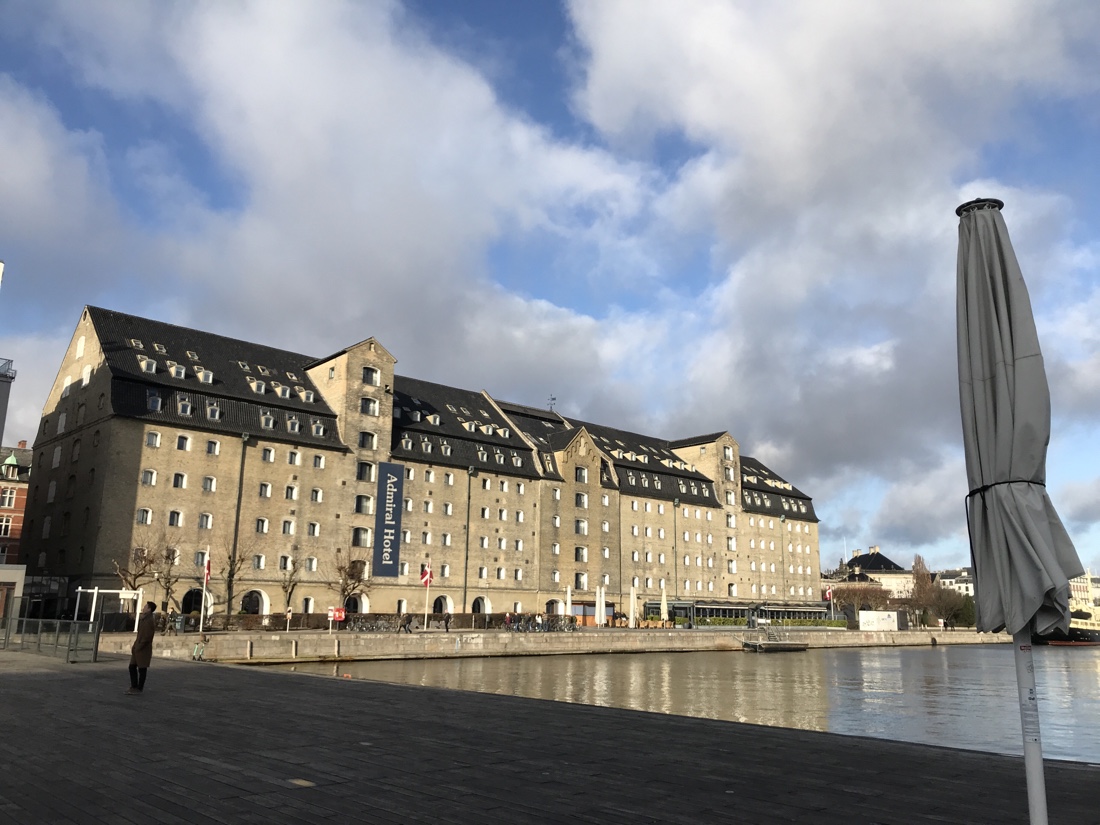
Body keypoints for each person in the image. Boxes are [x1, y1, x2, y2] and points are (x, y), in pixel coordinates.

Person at [127, 601, 157, 695]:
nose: (143, 608)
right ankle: (134, 686)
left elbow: (147, 636)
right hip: (138, 646)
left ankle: (139, 688)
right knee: (132, 667)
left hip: (143, 648)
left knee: (142, 668)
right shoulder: (144, 619)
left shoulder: (149, 620)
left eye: (145, 607)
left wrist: (139, 646)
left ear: (149, 609)